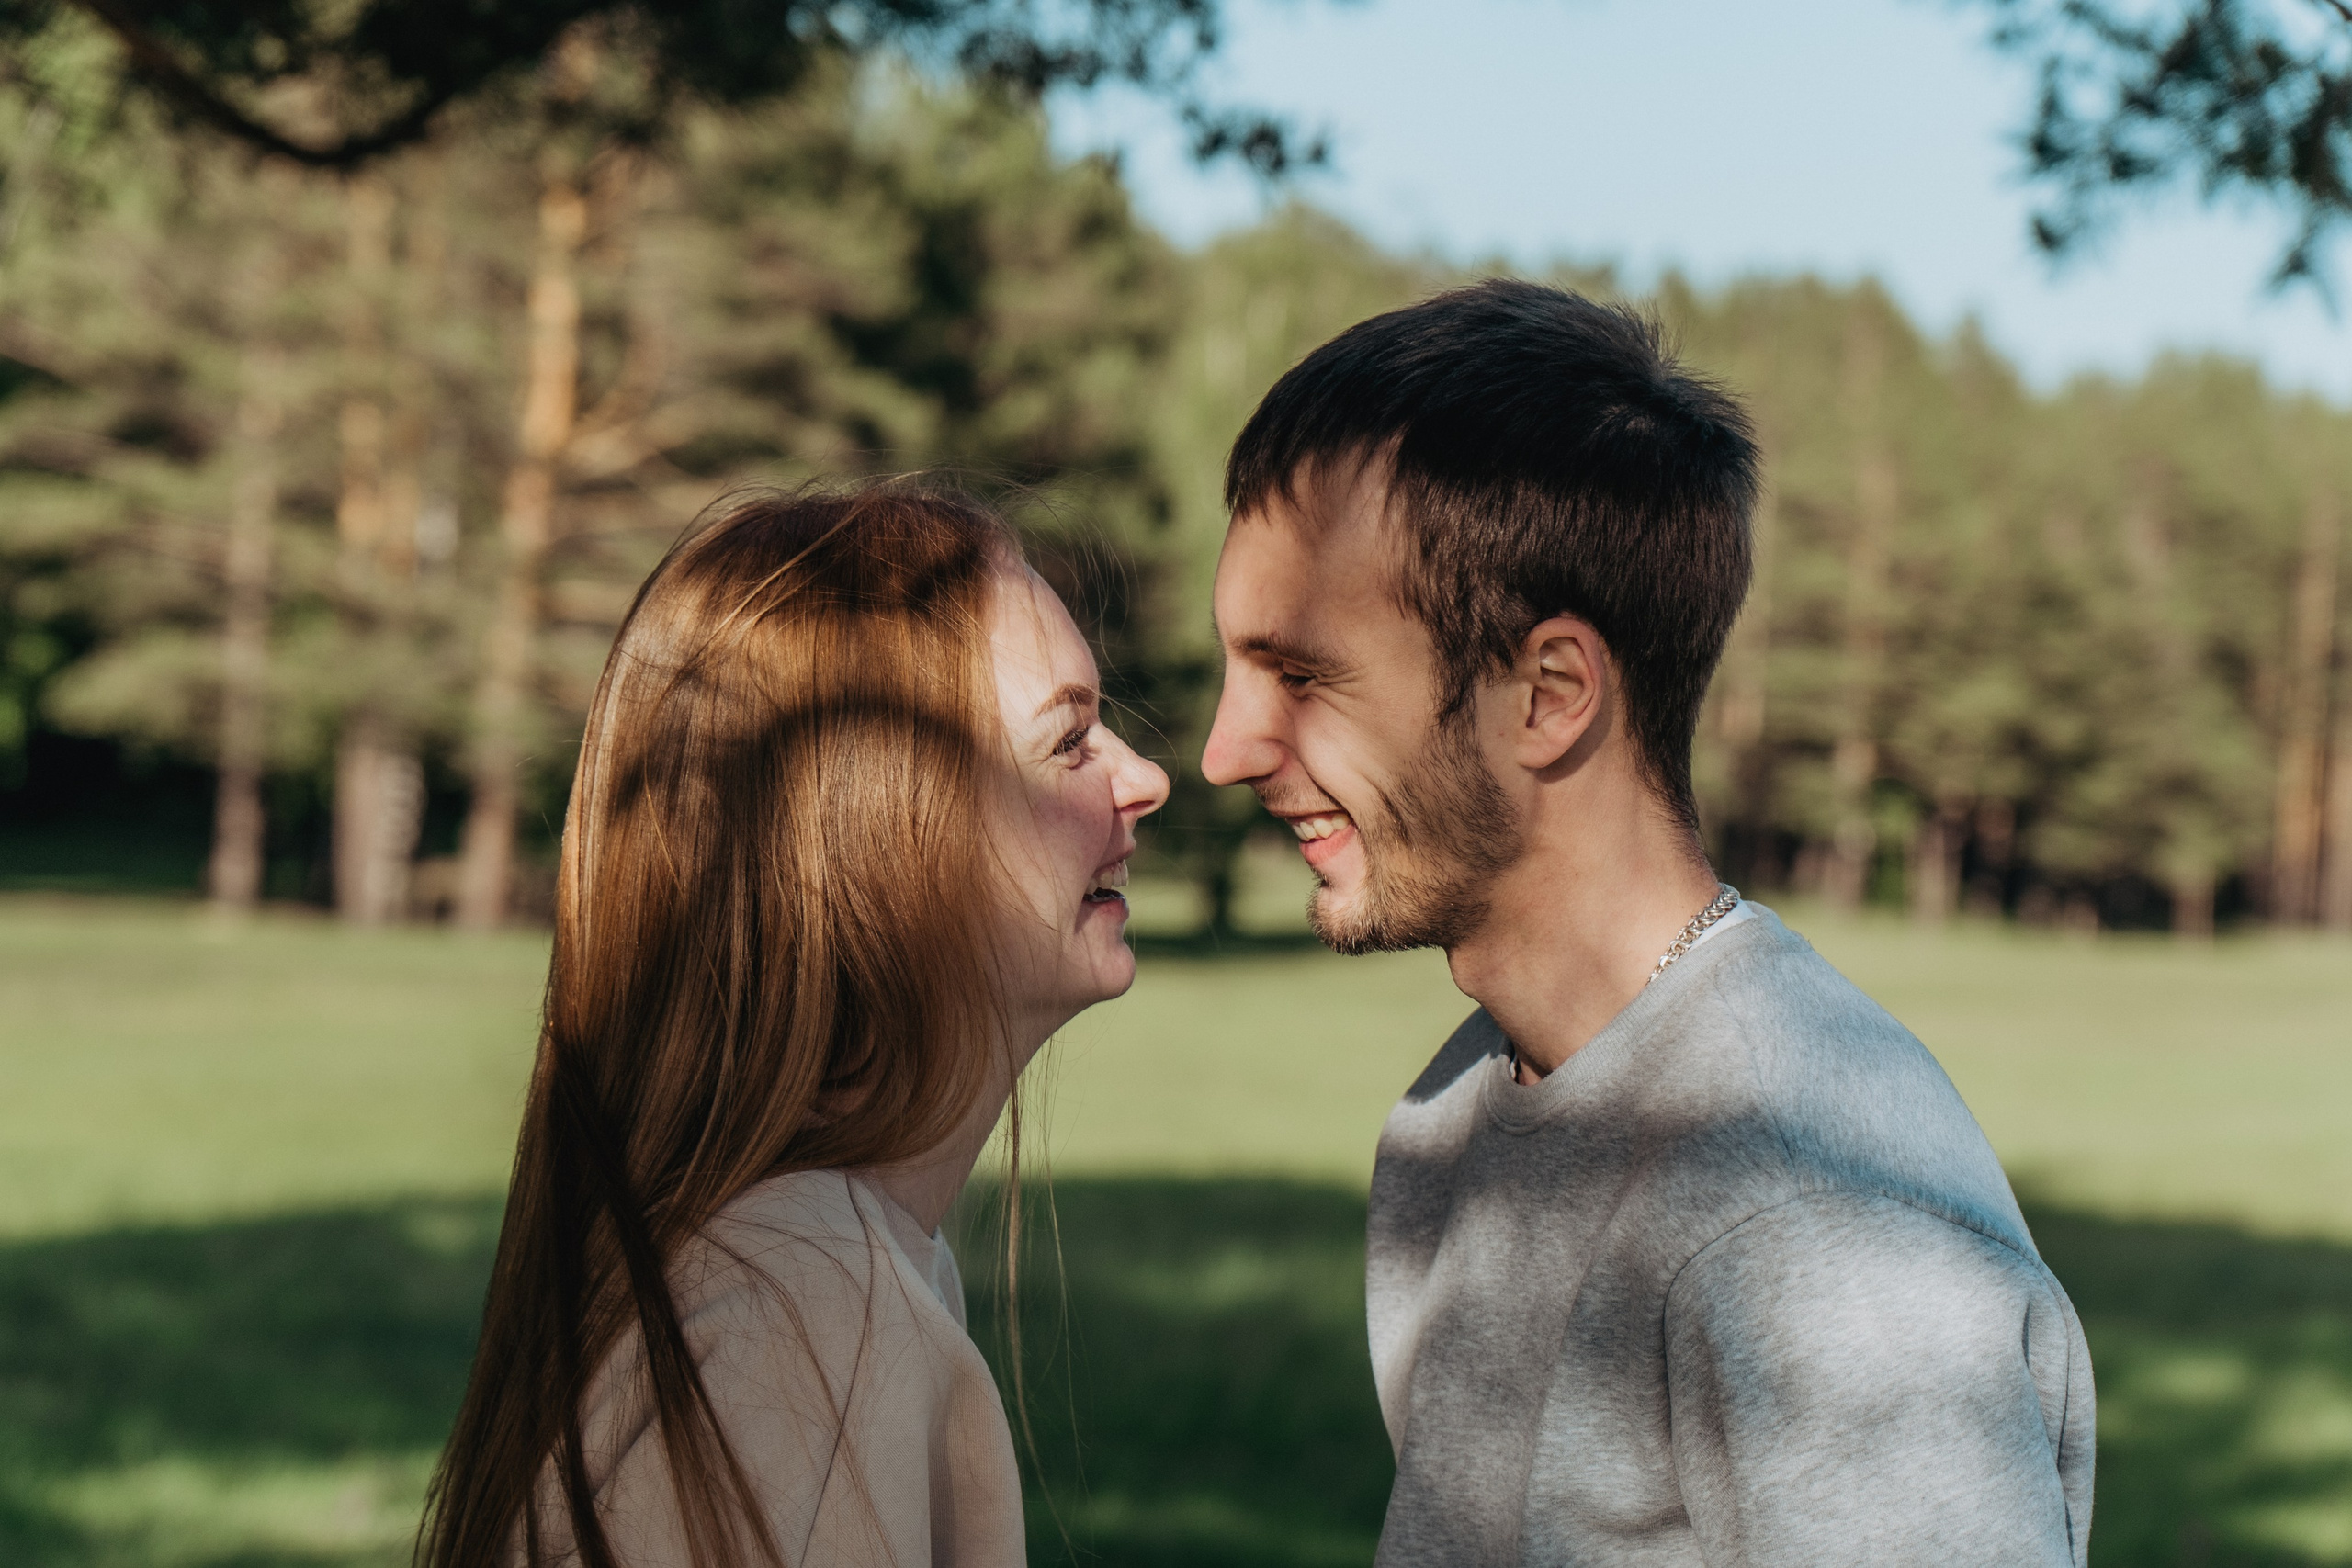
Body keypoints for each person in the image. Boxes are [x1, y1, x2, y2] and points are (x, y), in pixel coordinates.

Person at [1201, 280, 2095, 1566]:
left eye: (1301, 675)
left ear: (1550, 692)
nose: (1231, 749)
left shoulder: (1808, 1219)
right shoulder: (1458, 1106)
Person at [420, 484, 1168, 1567]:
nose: (1145, 778)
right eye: (1069, 743)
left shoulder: (814, 1265)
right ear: (871, 839)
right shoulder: (810, 1306)